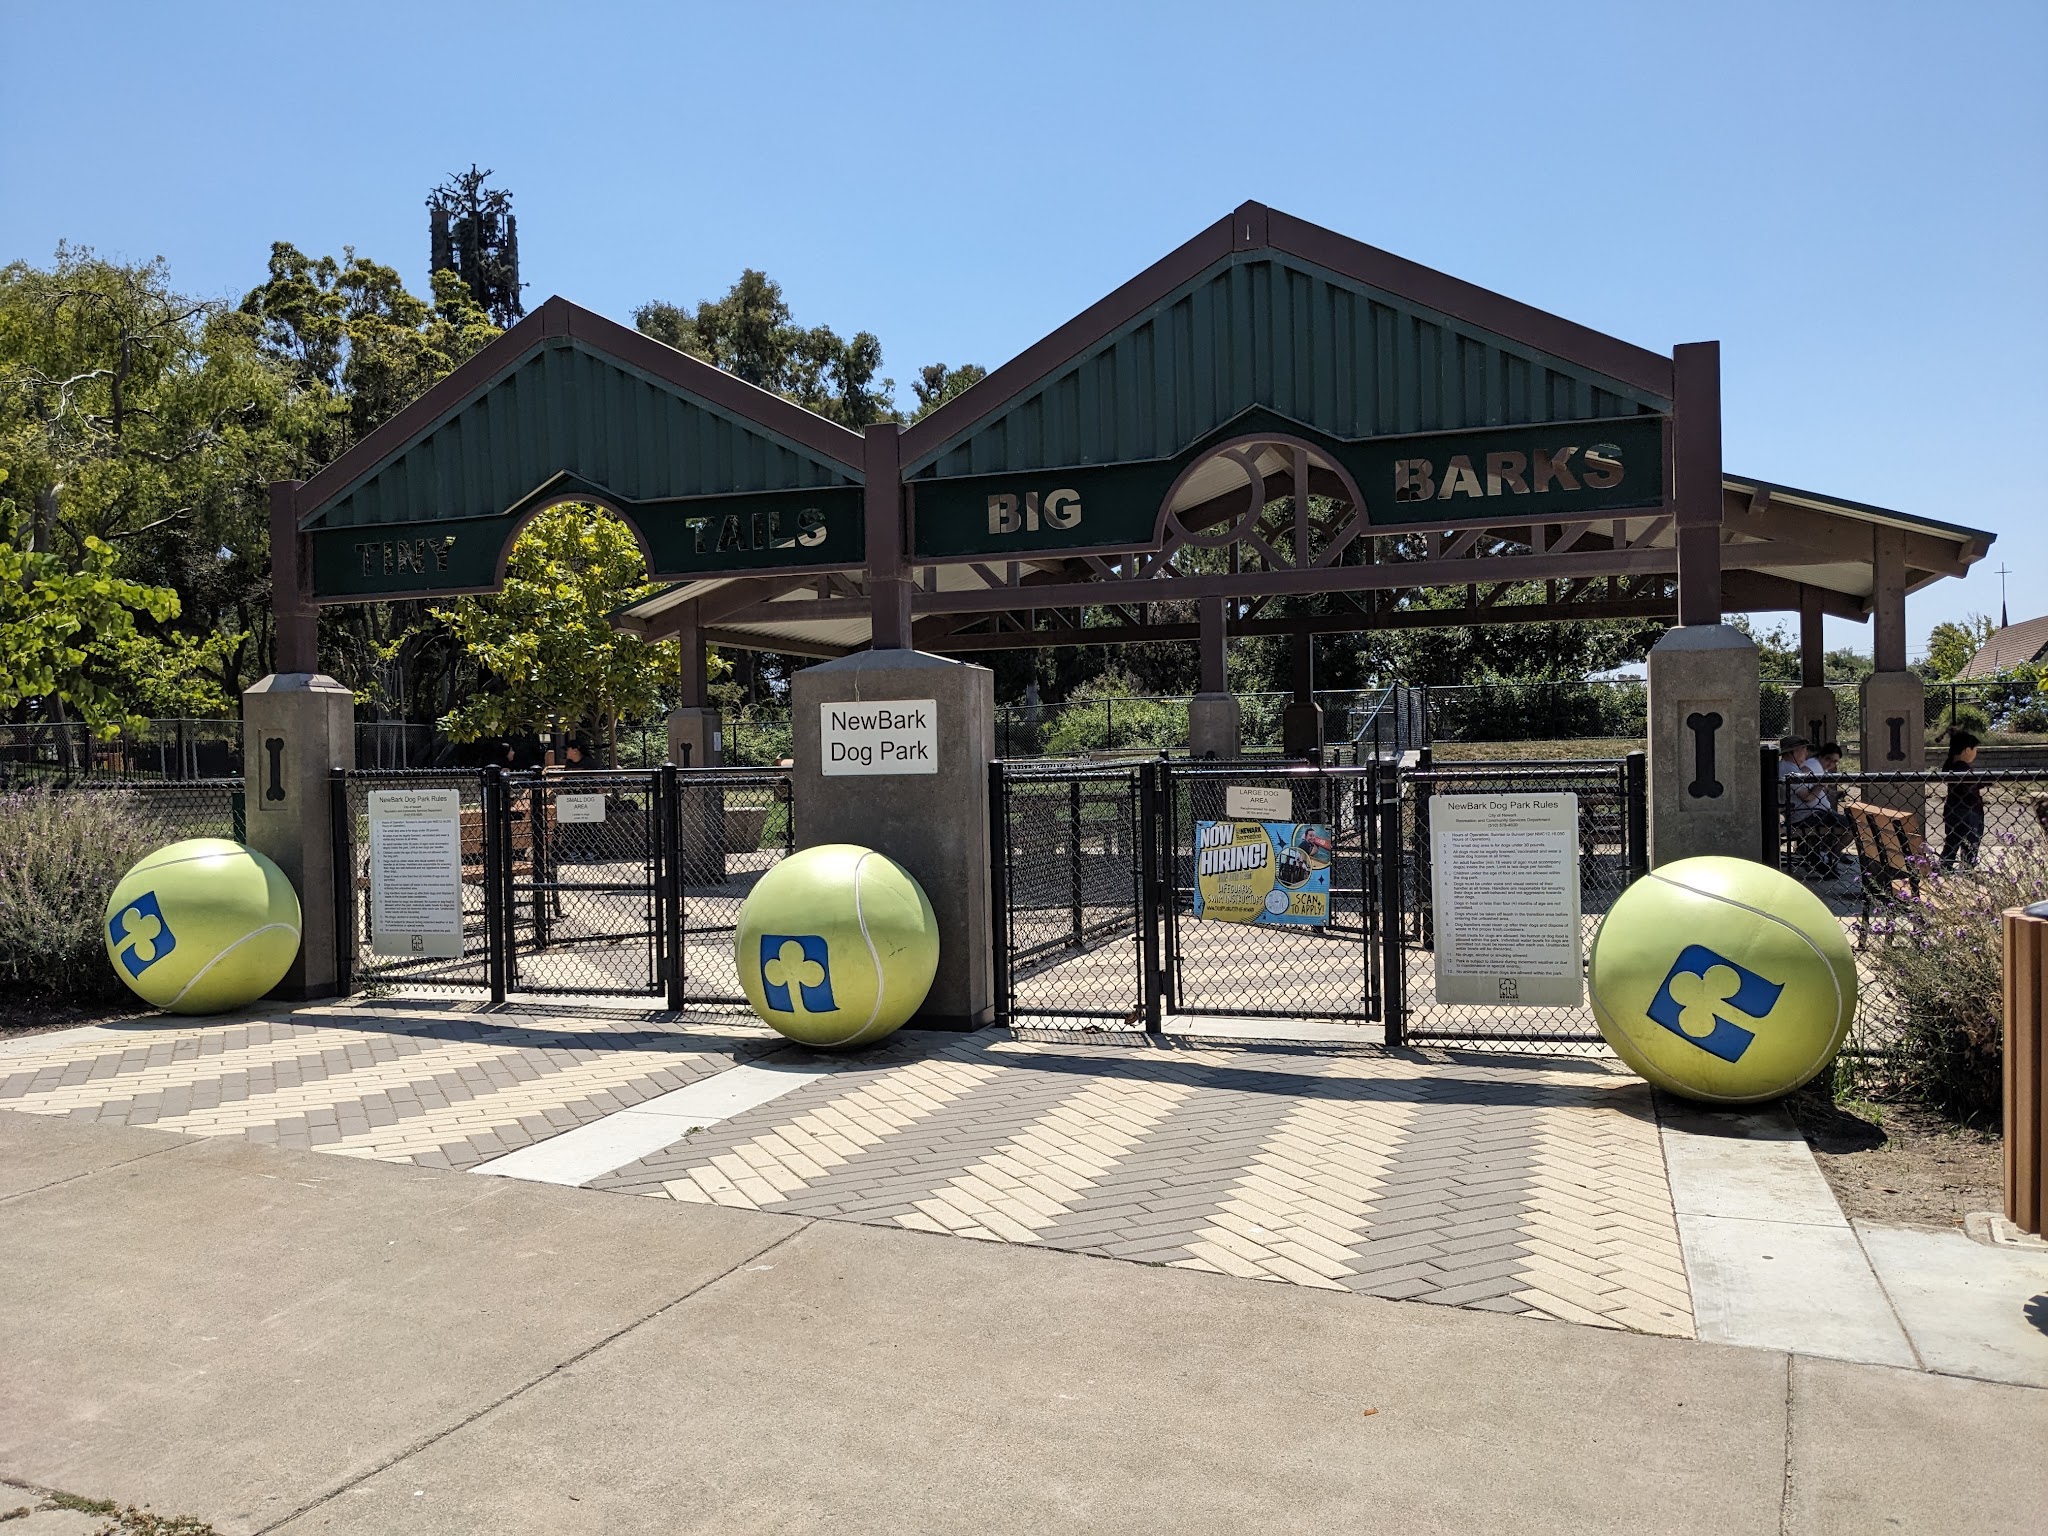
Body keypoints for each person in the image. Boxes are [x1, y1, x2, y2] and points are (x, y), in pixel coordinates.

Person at [1940, 730, 1984, 869]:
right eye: (1975, 749)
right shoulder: (1962, 767)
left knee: (1952, 841)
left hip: (1952, 809)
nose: (1976, 753)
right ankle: (1967, 868)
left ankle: (1945, 866)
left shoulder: (1950, 765)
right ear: (1967, 750)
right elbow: (1970, 784)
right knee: (1971, 842)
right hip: (1970, 811)